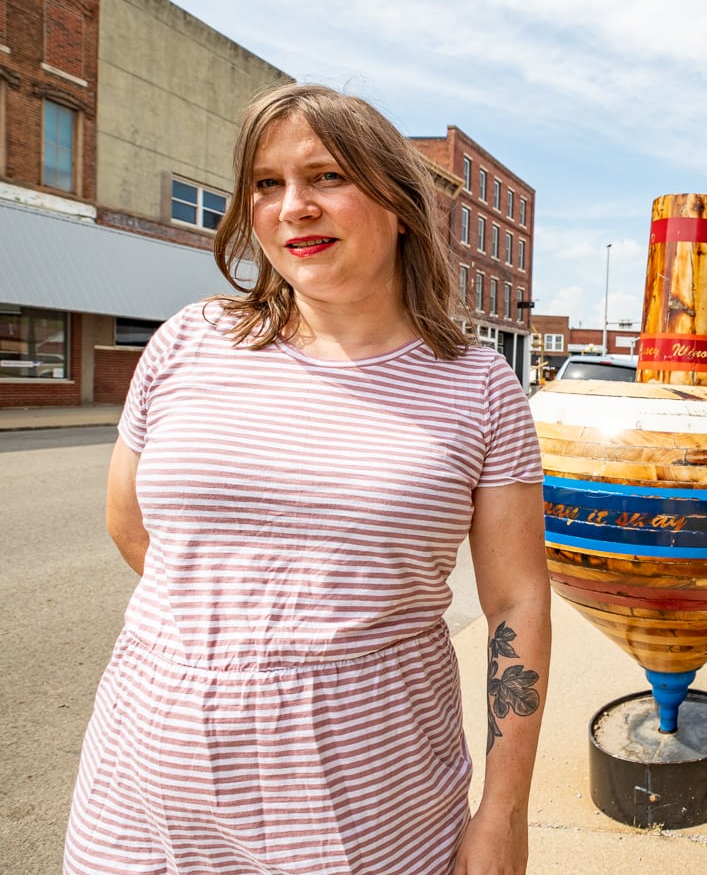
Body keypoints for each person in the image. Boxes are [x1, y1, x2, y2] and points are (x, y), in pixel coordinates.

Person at [64, 83, 551, 874]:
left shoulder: (479, 387)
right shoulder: (188, 341)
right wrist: (230, 639)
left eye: (327, 176)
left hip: (367, 807)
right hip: (143, 796)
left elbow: (517, 602)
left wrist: (503, 815)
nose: (294, 206)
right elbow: (130, 525)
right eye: (267, 183)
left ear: (400, 203)